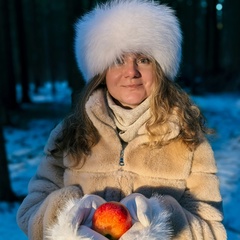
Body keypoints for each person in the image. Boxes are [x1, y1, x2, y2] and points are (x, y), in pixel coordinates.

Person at [17, 0, 226, 239]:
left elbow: (212, 231)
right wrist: (67, 216)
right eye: (118, 60)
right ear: (101, 71)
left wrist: (160, 220)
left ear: (160, 68)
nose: (131, 71)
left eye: (144, 59)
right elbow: (29, 213)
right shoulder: (70, 132)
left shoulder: (187, 138)